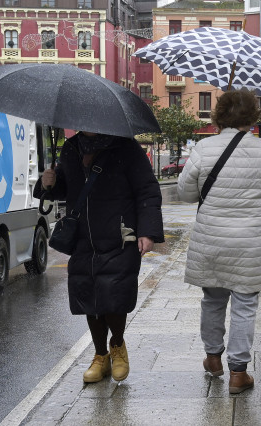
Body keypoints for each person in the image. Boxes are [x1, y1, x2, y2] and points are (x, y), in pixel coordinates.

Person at [177, 89, 261, 394]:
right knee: (245, 305)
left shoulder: (204, 148)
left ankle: (212, 357)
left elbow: (185, 193)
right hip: (252, 245)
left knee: (213, 300)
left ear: (219, 114)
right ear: (254, 116)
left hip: (212, 242)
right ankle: (238, 372)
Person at [34, 131, 164, 383]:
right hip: (82, 236)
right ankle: (100, 355)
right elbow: (64, 187)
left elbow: (147, 190)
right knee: (88, 293)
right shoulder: (72, 147)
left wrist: (148, 231)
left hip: (119, 233)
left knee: (114, 292)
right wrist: (48, 183)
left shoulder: (125, 146)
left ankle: (117, 346)